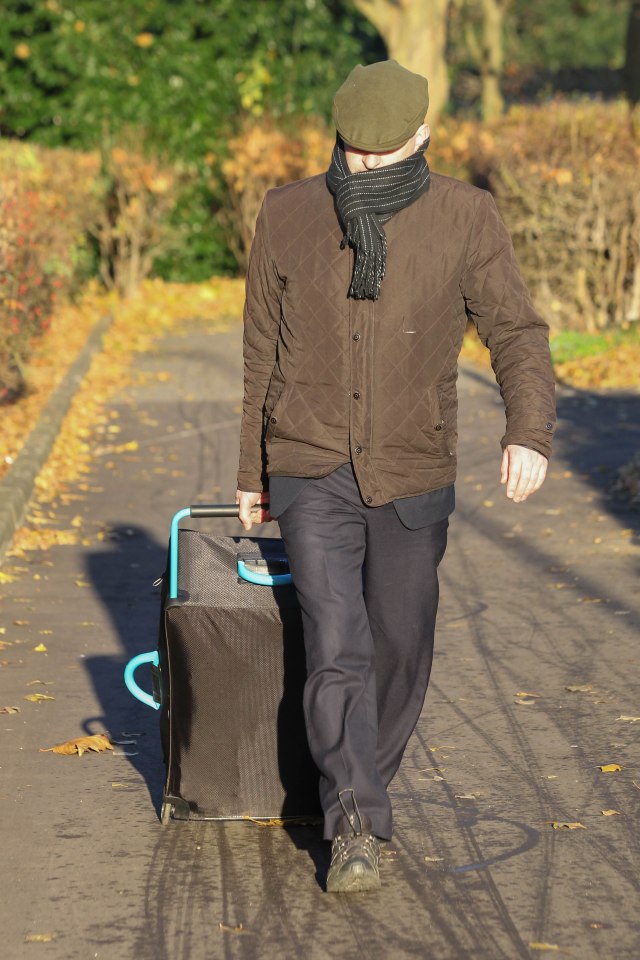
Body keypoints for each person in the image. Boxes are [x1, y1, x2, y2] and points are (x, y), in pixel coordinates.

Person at [235, 60, 556, 893]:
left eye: (384, 152)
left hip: (414, 464)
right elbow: (258, 352)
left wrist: (530, 432)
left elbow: (516, 332)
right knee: (335, 640)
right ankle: (354, 822)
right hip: (310, 462)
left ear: (421, 136)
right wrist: (251, 471)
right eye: (354, 151)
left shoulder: (464, 216)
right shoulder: (290, 213)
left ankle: (353, 777)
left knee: (401, 645)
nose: (365, 168)